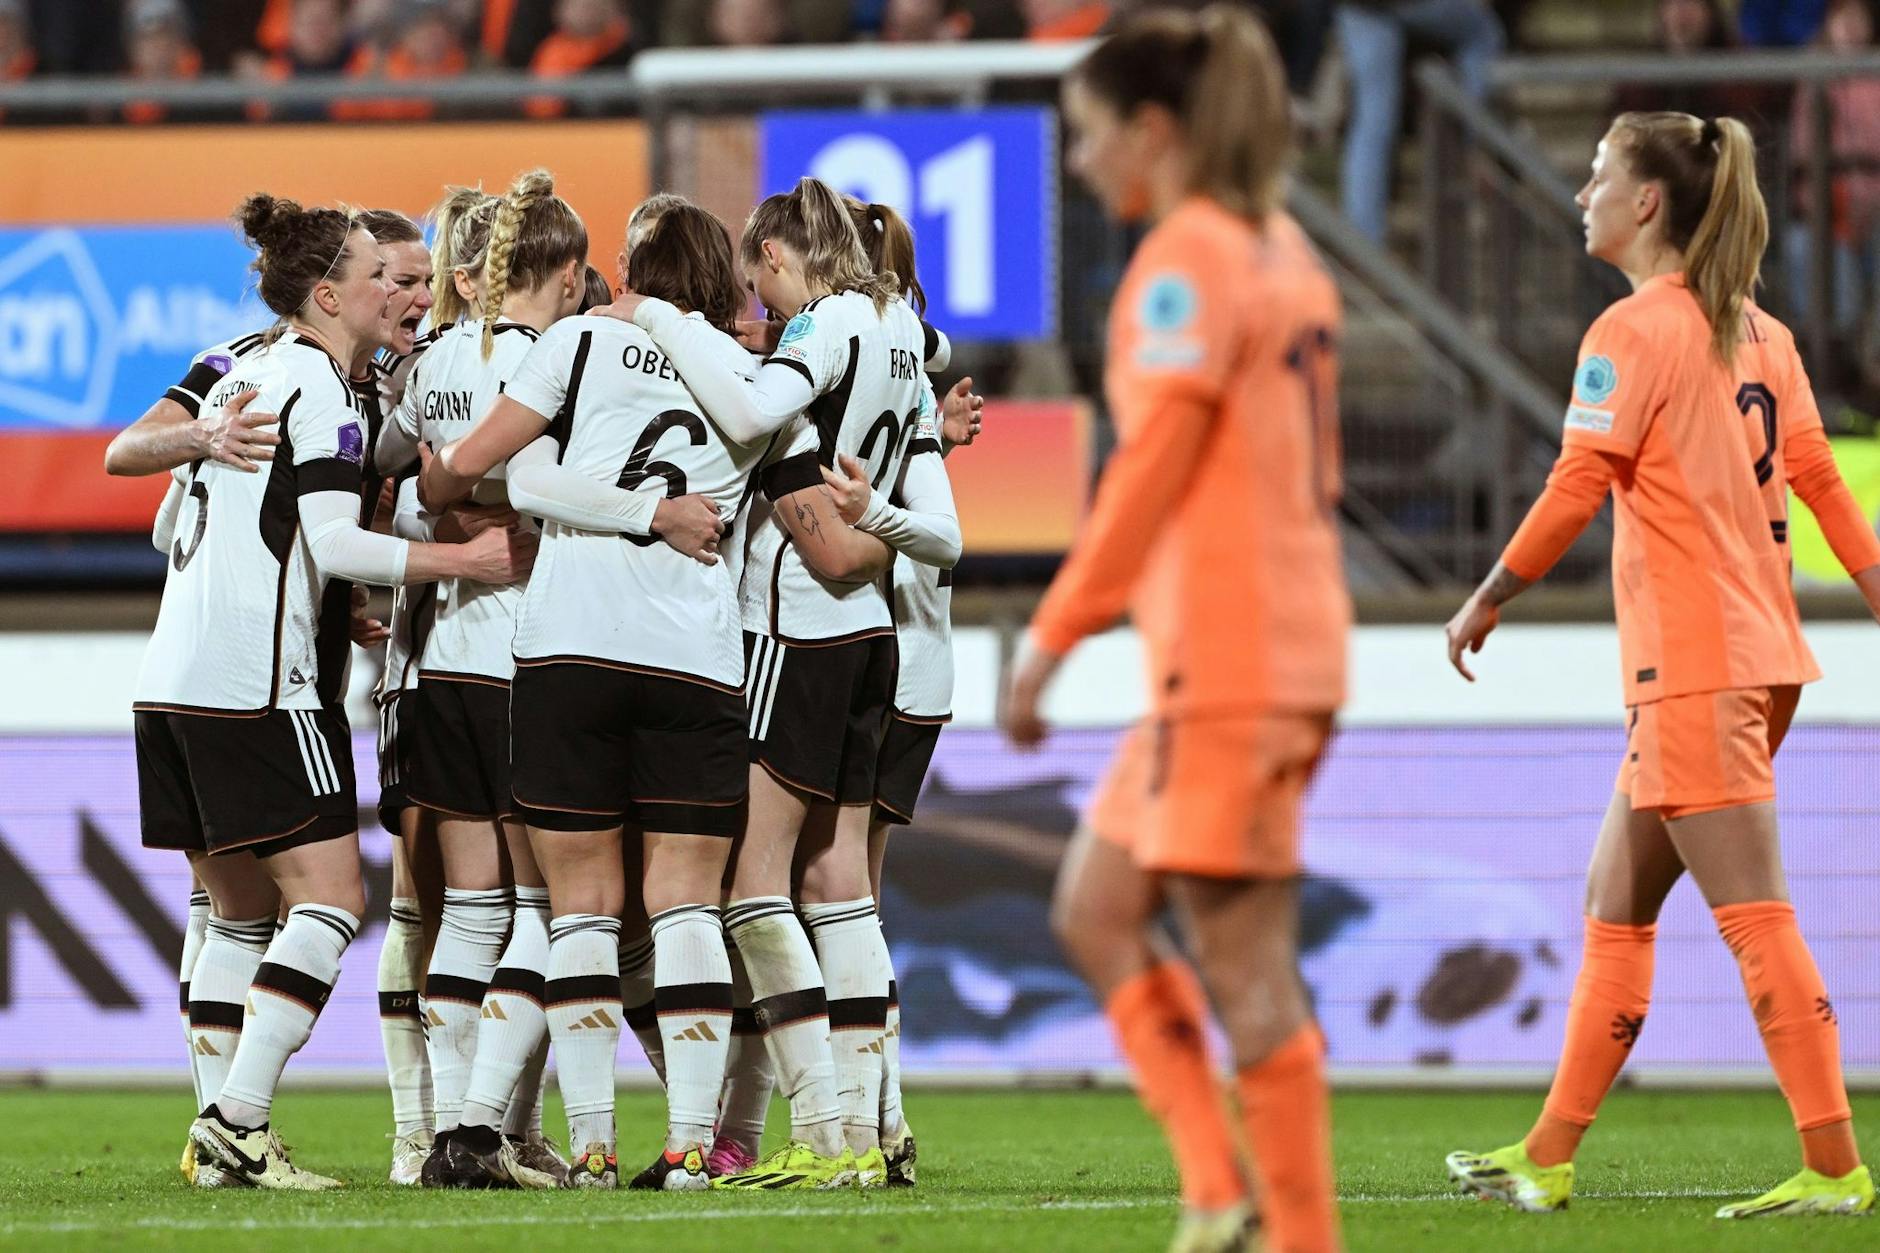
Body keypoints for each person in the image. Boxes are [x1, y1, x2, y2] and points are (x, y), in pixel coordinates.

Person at [1441, 111, 1876, 1220]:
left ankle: (1832, 1164)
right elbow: (1827, 491)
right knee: (1614, 898)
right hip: (1753, 659)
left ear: (1644, 204)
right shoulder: (1761, 336)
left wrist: (1487, 596)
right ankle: (1545, 1153)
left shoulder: (1631, 330)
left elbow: (1573, 486)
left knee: (1753, 915)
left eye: (1595, 175)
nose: (1580, 191)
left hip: (1692, 666)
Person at [998, 9, 1349, 1252]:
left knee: (1243, 966)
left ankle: (1296, 1235)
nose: (1081, 163)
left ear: (1150, 133)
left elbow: (1148, 475)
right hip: (1255, 644)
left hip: (1234, 660)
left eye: (1089, 136)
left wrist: (1051, 634)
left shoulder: (1185, 259)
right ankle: (1216, 1193)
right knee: (1094, 905)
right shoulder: (1281, 248)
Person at [135, 195, 532, 1189]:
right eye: (379, 276)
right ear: (328, 295)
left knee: (233, 911)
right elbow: (336, 538)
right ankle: (236, 1120)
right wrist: (466, 557)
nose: (401, 290)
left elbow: (162, 527)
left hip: (170, 678)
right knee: (330, 904)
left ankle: (225, 1139)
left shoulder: (240, 376)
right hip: (263, 687)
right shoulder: (315, 384)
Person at [416, 193, 798, 1191]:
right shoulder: (745, 375)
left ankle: (588, 1146)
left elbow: (481, 469)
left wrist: (467, 469)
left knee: (577, 907)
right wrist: (665, 511)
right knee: (683, 907)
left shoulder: (576, 341)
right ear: (721, 279)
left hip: (569, 648)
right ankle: (687, 1146)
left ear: (623, 267)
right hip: (694, 655)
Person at [610, 175, 959, 1190]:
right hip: (868, 638)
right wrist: (883, 521)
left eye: (760, 279)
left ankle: (824, 1127)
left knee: (750, 887)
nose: (759, 305)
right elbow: (939, 517)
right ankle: (868, 1129)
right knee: (837, 884)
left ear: (774, 256)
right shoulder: (898, 327)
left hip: (791, 627)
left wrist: (670, 323)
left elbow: (749, 402)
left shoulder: (830, 323)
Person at [372, 170, 587, 1192]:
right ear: (569, 272)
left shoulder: (433, 362)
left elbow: (389, 486)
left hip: (439, 661)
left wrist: (436, 518)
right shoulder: (561, 359)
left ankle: (451, 1137)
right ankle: (475, 1126)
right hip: (527, 656)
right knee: (548, 901)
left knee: (466, 907)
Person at [1336, 0, 1505, 242]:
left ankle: (1362, 242)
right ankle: (1471, 148)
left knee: (1372, 122)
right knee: (1483, 34)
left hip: (1359, 7)